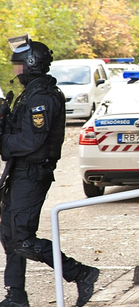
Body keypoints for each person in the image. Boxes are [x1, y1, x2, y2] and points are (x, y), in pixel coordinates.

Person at [1, 39, 99, 307]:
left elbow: (30, 142)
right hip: (20, 172)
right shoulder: (31, 93)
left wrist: (3, 140)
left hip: (33, 174)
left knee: (22, 239)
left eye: (19, 66)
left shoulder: (42, 97)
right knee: (9, 236)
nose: (16, 71)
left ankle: (81, 273)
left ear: (32, 65)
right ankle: (16, 296)